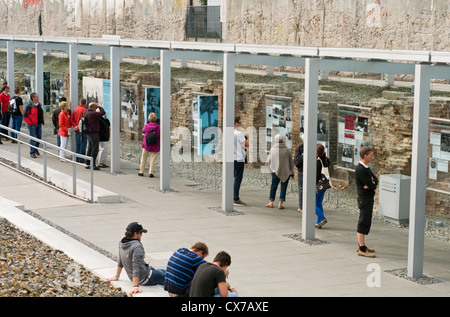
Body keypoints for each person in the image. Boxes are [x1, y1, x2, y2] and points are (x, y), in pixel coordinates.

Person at [106, 222, 166, 296]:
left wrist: (116, 276)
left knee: (162, 271)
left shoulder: (122, 243)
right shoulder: (136, 246)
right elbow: (136, 267)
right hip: (146, 278)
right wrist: (135, 287)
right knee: (170, 278)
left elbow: (120, 260)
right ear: (135, 234)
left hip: (141, 273)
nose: (141, 235)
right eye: (141, 233)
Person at [355, 146, 378, 258]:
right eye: (371, 155)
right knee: (363, 222)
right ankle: (362, 248)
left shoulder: (366, 168)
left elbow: (375, 180)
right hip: (364, 199)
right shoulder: (361, 170)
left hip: (367, 198)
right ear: (365, 156)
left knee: (366, 221)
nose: (372, 157)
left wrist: (371, 183)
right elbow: (373, 186)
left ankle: (361, 244)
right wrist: (371, 184)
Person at [265, 134, 294, 210]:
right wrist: (292, 172)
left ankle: (271, 202)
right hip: (286, 171)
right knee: (283, 187)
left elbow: (268, 160)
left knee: (273, 186)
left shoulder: (273, 149)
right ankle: (280, 203)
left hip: (275, 171)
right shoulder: (287, 150)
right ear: (282, 140)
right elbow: (291, 162)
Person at [23, 92, 44, 158]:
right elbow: (25, 116)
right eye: (37, 96)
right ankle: (32, 152)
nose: (38, 97)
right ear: (33, 98)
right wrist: (30, 123)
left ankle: (35, 148)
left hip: (39, 123)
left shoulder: (39, 105)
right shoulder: (29, 106)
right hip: (32, 124)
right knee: (33, 138)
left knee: (39, 137)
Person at [85, 102, 105, 170]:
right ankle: (93, 165)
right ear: (93, 107)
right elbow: (102, 112)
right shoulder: (92, 113)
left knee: (90, 148)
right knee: (95, 149)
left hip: (89, 133)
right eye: (95, 107)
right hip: (94, 133)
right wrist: (99, 106)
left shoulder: (86, 112)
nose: (96, 108)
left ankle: (87, 163)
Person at [139, 112, 160, 178]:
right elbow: (159, 135)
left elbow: (143, 131)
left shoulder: (146, 125)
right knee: (152, 159)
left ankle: (141, 172)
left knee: (143, 158)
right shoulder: (158, 127)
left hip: (146, 144)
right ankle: (151, 172)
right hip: (155, 144)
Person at [233, 117, 248, 206]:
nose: (239, 124)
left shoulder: (226, 133)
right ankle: (235, 198)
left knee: (231, 178)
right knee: (237, 178)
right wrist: (246, 138)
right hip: (238, 158)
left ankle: (230, 195)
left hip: (230, 158)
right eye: (239, 122)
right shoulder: (238, 133)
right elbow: (246, 144)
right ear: (236, 123)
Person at [315, 144, 331, 228]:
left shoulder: (318, 160)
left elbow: (317, 174)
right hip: (324, 184)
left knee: (312, 203)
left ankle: (322, 218)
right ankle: (318, 222)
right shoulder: (326, 159)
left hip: (318, 184)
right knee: (319, 203)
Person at [71, 98, 88, 163]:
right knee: (83, 144)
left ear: (79, 102)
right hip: (83, 130)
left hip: (77, 130)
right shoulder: (85, 110)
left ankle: (77, 158)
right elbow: (85, 121)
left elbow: (71, 120)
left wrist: (75, 126)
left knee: (77, 144)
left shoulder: (75, 110)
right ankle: (81, 158)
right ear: (85, 103)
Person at [294, 134, 304, 213]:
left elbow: (297, 161)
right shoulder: (300, 148)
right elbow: (296, 162)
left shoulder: (299, 149)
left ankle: (302, 207)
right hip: (301, 170)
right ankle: (302, 206)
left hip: (302, 171)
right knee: (301, 189)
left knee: (301, 189)